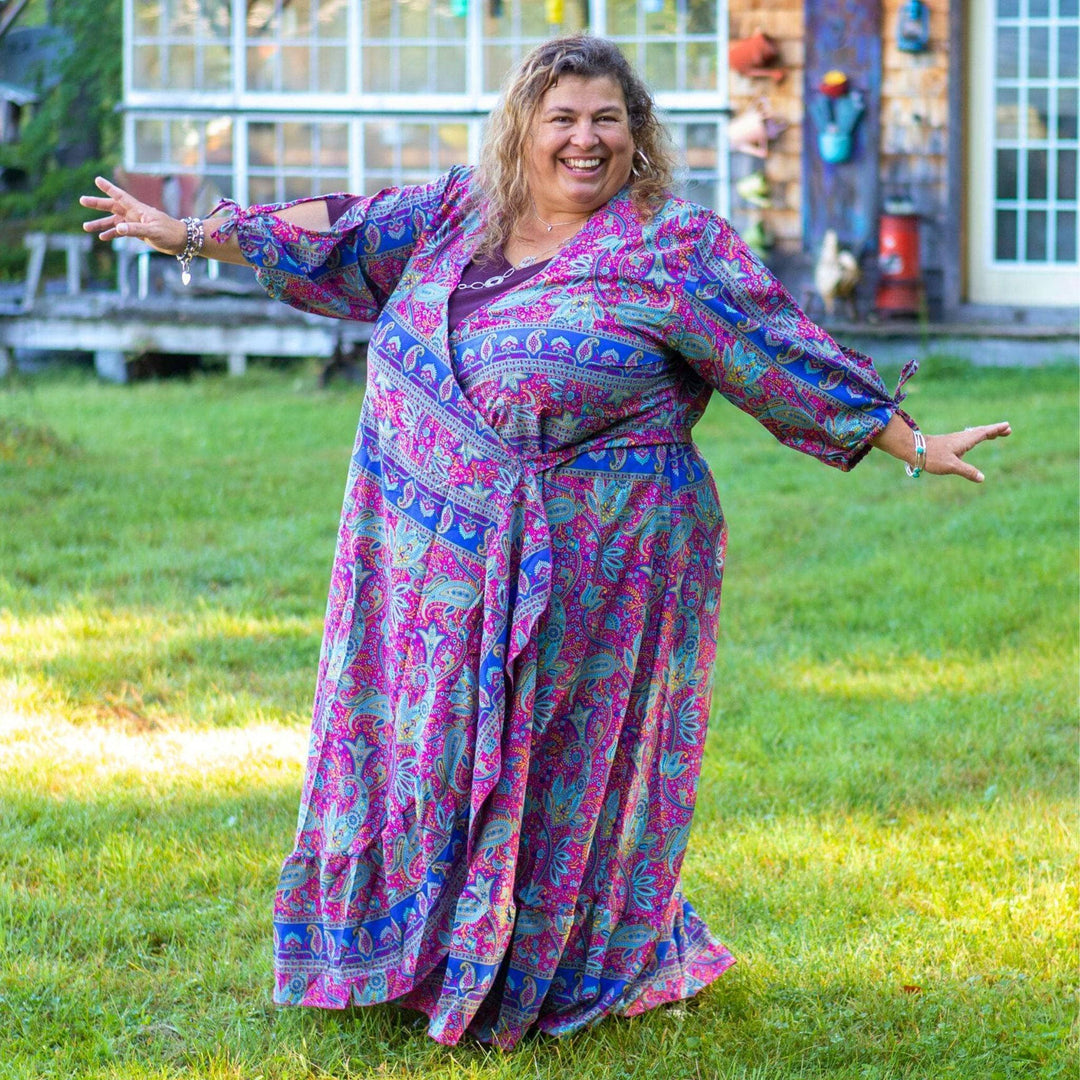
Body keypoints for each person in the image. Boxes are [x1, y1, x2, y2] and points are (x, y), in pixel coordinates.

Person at [81, 35, 1010, 1049]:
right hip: (423, 566)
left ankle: (544, 963)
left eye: (608, 118)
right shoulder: (454, 214)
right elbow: (335, 231)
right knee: (424, 752)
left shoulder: (672, 248)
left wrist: (913, 443)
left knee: (551, 772)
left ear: (637, 133)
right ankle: (415, 950)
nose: (585, 139)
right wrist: (191, 233)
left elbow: (779, 353)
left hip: (595, 569)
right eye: (562, 117)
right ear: (521, 128)